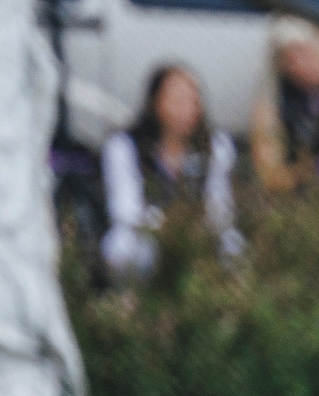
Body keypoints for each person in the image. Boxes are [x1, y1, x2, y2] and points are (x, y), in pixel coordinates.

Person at [101, 64, 242, 276]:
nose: (186, 110)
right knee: (121, 247)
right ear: (155, 103)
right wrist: (166, 226)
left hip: (200, 231)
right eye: (177, 101)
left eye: (193, 102)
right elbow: (125, 209)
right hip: (146, 232)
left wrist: (196, 227)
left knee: (234, 247)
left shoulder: (217, 146)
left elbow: (220, 203)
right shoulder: (124, 146)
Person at [249, 16, 319, 194]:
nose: (299, 63)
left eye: (306, 52)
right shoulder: (275, 98)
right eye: (289, 56)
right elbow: (270, 172)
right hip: (299, 191)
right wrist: (315, 172)